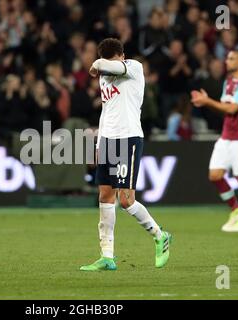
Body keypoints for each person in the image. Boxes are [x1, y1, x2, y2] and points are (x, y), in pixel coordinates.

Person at [80, 38, 172, 272]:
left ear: (123, 55)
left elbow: (112, 66)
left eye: (113, 59)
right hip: (108, 139)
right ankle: (107, 257)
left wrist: (97, 63)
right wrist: (100, 142)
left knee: (126, 200)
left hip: (128, 138)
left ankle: (160, 236)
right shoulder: (104, 75)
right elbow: (106, 110)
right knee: (105, 197)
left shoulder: (133, 68)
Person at [191, 46, 238, 232]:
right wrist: (208, 102)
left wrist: (207, 102)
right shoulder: (228, 82)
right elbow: (223, 107)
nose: (226, 61)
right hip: (226, 136)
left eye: (231, 58)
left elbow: (232, 109)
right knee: (215, 175)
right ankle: (235, 209)